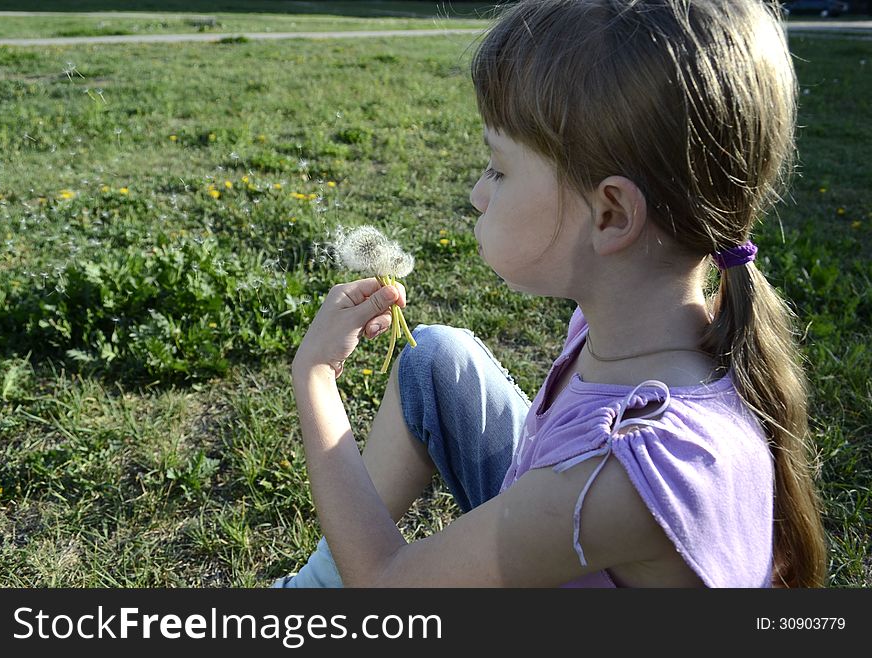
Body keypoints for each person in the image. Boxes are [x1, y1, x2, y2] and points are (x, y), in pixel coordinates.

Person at [276, 0, 827, 588]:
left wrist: (314, 377)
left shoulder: (627, 480)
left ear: (611, 214)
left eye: (498, 169)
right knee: (434, 360)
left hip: (569, 514)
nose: (476, 195)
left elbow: (385, 581)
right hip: (558, 511)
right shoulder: (632, 324)